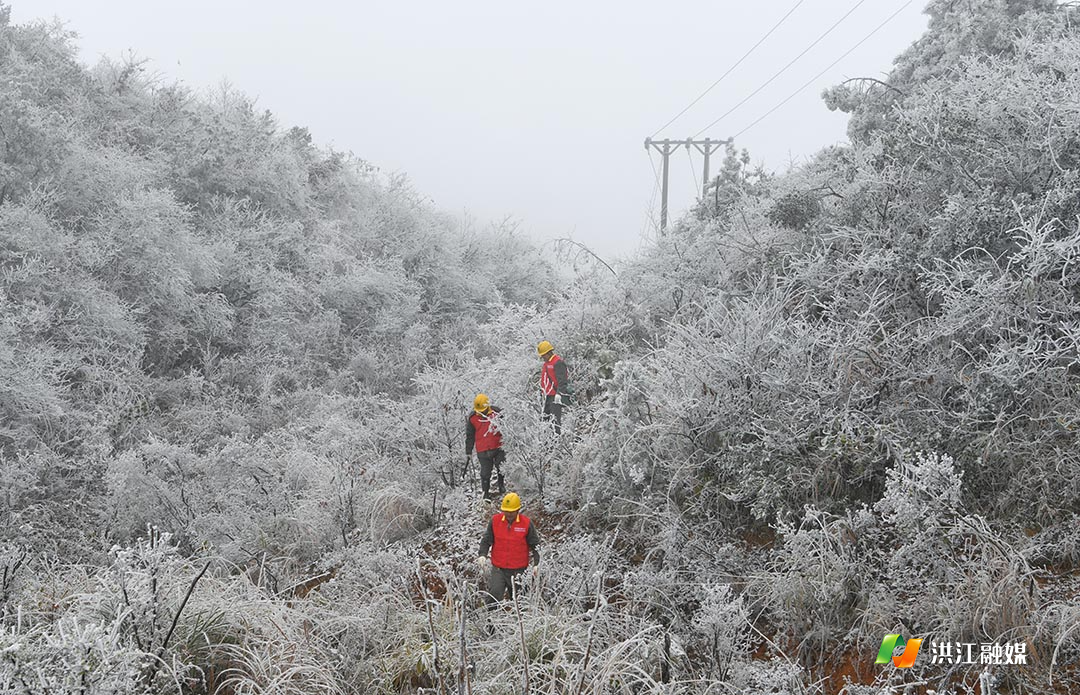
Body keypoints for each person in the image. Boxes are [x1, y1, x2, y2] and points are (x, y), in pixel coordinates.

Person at [476, 492, 540, 608]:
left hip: (519, 571)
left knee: (519, 602)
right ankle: (491, 624)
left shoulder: (526, 524)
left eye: (512, 512)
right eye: (506, 511)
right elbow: (486, 540)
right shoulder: (495, 521)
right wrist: (482, 555)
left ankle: (519, 624)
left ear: (518, 510)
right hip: (499, 569)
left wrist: (537, 563)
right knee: (493, 598)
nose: (509, 514)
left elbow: (535, 546)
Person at [465, 393, 505, 501]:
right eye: (479, 410)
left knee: (501, 467)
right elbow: (470, 435)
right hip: (483, 450)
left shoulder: (497, 412)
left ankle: (501, 486)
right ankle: (486, 494)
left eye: (482, 410)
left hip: (498, 446)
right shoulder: (472, 418)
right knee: (485, 473)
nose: (481, 412)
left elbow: (506, 427)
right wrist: (468, 450)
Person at [537, 340, 572, 434]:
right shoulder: (547, 363)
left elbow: (563, 381)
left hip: (555, 397)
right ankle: (548, 443)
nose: (542, 357)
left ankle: (557, 443)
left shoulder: (558, 363)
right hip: (547, 396)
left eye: (543, 355)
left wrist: (559, 394)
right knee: (545, 421)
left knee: (555, 422)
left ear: (548, 353)